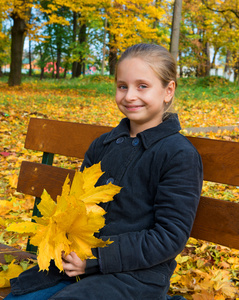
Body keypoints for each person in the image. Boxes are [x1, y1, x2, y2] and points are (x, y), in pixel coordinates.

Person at [6, 43, 203, 300]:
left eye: (142, 86)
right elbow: (77, 206)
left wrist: (95, 259)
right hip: (75, 262)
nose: (130, 96)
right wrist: (67, 245)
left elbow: (168, 236)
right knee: (20, 295)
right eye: (123, 86)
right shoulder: (103, 145)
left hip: (137, 276)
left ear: (168, 90)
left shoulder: (178, 155)